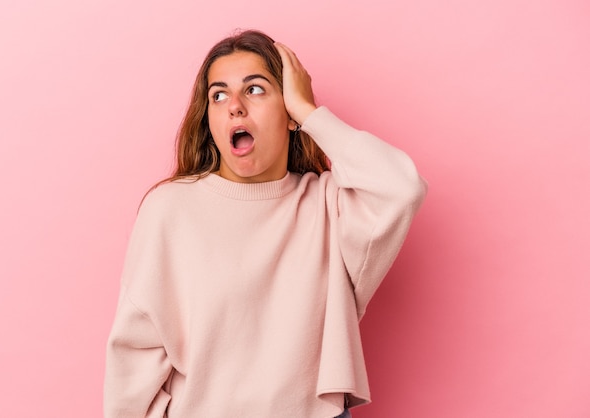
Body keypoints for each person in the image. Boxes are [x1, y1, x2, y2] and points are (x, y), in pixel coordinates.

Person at [104, 29, 427, 418]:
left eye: (255, 89)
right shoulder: (171, 209)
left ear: (289, 113)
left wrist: (309, 113)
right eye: (218, 95)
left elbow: (401, 188)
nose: (234, 106)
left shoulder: (329, 205)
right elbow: (134, 353)